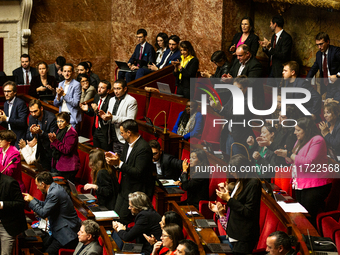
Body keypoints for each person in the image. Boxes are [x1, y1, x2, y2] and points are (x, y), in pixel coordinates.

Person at [278, 117, 332, 226]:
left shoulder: (318, 140)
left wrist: (290, 154)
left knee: (307, 217)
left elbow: (308, 163)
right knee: (301, 215)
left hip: (316, 184)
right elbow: (295, 158)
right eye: (294, 130)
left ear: (306, 130)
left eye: (298, 130)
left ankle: (310, 239)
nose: (295, 133)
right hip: (302, 182)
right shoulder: (300, 140)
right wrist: (286, 156)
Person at [105, 120, 155, 224]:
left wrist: (119, 163)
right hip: (124, 188)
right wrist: (115, 162)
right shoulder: (128, 144)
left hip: (135, 191)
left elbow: (138, 172)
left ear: (129, 132)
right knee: (115, 218)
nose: (121, 135)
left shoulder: (143, 148)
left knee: (122, 220)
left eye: (122, 132)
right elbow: (123, 163)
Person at [23, 172, 81, 255]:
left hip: (65, 234)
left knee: (47, 252)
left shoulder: (54, 193)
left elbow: (43, 213)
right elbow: (45, 205)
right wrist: (32, 199)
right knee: (44, 245)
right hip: (58, 230)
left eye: (37, 185)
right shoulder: (54, 188)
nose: (37, 188)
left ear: (43, 184)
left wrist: (31, 201)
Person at [215, 154, 262, 255]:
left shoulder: (253, 183)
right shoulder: (241, 180)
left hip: (244, 236)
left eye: (233, 170)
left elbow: (248, 211)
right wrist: (227, 193)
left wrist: (228, 199)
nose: (231, 173)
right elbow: (239, 200)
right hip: (234, 232)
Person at [210, 76, 255, 156]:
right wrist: (216, 106)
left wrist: (220, 108)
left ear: (245, 88)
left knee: (237, 164)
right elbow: (225, 110)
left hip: (239, 138)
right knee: (228, 162)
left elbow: (236, 117)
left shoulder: (249, 101)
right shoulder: (233, 97)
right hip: (229, 135)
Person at [99, 79, 137, 155]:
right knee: (115, 162)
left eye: (118, 89)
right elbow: (109, 117)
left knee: (123, 162)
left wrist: (112, 117)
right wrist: (105, 118)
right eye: (115, 88)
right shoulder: (112, 100)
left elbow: (131, 120)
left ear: (125, 89)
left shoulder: (131, 101)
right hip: (112, 137)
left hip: (124, 138)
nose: (116, 91)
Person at [225, 44, 264, 108]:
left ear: (247, 54)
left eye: (240, 56)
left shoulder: (255, 65)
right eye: (237, 55)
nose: (238, 58)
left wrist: (232, 80)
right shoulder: (237, 61)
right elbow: (231, 72)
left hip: (250, 96)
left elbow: (250, 83)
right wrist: (227, 77)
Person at [25, 99, 58, 170]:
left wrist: (40, 132)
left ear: (41, 108)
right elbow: (27, 136)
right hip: (41, 152)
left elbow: (53, 137)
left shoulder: (51, 118)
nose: (33, 114)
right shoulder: (31, 117)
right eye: (31, 112)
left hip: (51, 152)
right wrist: (32, 133)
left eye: (35, 111)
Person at [306, 32, 340, 100]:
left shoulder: (336, 51)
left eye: (321, 44)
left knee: (334, 106)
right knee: (325, 105)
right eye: (317, 45)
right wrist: (306, 80)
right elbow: (314, 68)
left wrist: (338, 75)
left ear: (327, 41)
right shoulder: (319, 54)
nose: (319, 47)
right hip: (325, 85)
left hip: (337, 85)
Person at [80, 80, 112, 151]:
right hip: (96, 130)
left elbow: (106, 117)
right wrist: (87, 109)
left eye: (102, 88)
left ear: (108, 90)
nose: (99, 89)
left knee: (104, 154)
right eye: (98, 87)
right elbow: (92, 113)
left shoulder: (111, 100)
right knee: (95, 152)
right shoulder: (97, 97)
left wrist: (96, 111)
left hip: (104, 132)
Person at [0, 172, 27, 255]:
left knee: (5, 253)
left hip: (7, 225)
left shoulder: (10, 182)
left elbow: (21, 203)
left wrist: (2, 204)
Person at [49, 112, 80, 182]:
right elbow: (55, 145)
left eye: (62, 121)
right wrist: (52, 141)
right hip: (60, 163)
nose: (59, 123)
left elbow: (66, 150)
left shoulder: (72, 133)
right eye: (58, 121)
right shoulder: (60, 130)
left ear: (67, 122)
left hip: (69, 167)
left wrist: (54, 141)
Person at [259, 15, 292, 79]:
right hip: (271, 69)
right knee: (268, 88)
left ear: (275, 24)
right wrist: (265, 47)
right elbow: (272, 54)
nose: (269, 26)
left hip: (280, 71)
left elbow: (283, 55)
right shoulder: (273, 36)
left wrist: (270, 48)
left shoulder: (286, 37)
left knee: (278, 89)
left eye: (270, 24)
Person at [0, 81, 28, 149]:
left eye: (9, 91)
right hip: (9, 137)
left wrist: (6, 119)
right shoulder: (6, 104)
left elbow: (22, 122)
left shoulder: (20, 103)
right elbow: (8, 124)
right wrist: (1, 119)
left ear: (15, 92)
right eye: (5, 91)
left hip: (19, 138)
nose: (6, 94)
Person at [53, 63, 82, 129]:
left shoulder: (76, 85)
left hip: (71, 118)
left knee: (70, 138)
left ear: (73, 72)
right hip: (61, 117)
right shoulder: (61, 84)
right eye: (65, 71)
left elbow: (75, 103)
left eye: (69, 71)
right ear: (62, 73)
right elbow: (55, 104)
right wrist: (58, 97)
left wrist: (63, 95)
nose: (66, 73)